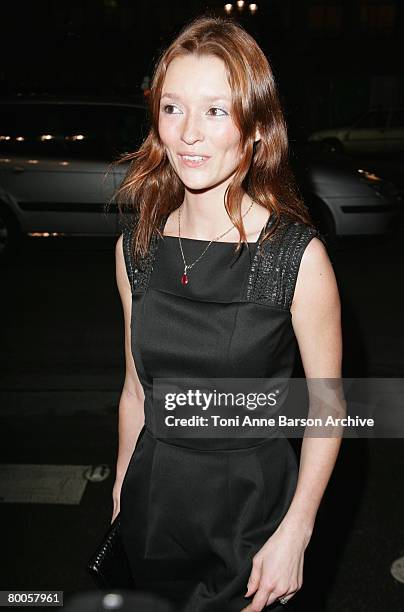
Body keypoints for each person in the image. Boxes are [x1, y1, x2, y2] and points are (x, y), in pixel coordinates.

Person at [111, 15, 343, 612]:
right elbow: (138, 390)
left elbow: (328, 405)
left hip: (251, 516)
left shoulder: (296, 257)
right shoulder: (135, 249)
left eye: (215, 111)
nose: (188, 133)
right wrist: (119, 491)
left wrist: (297, 530)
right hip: (154, 508)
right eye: (172, 107)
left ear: (257, 127)